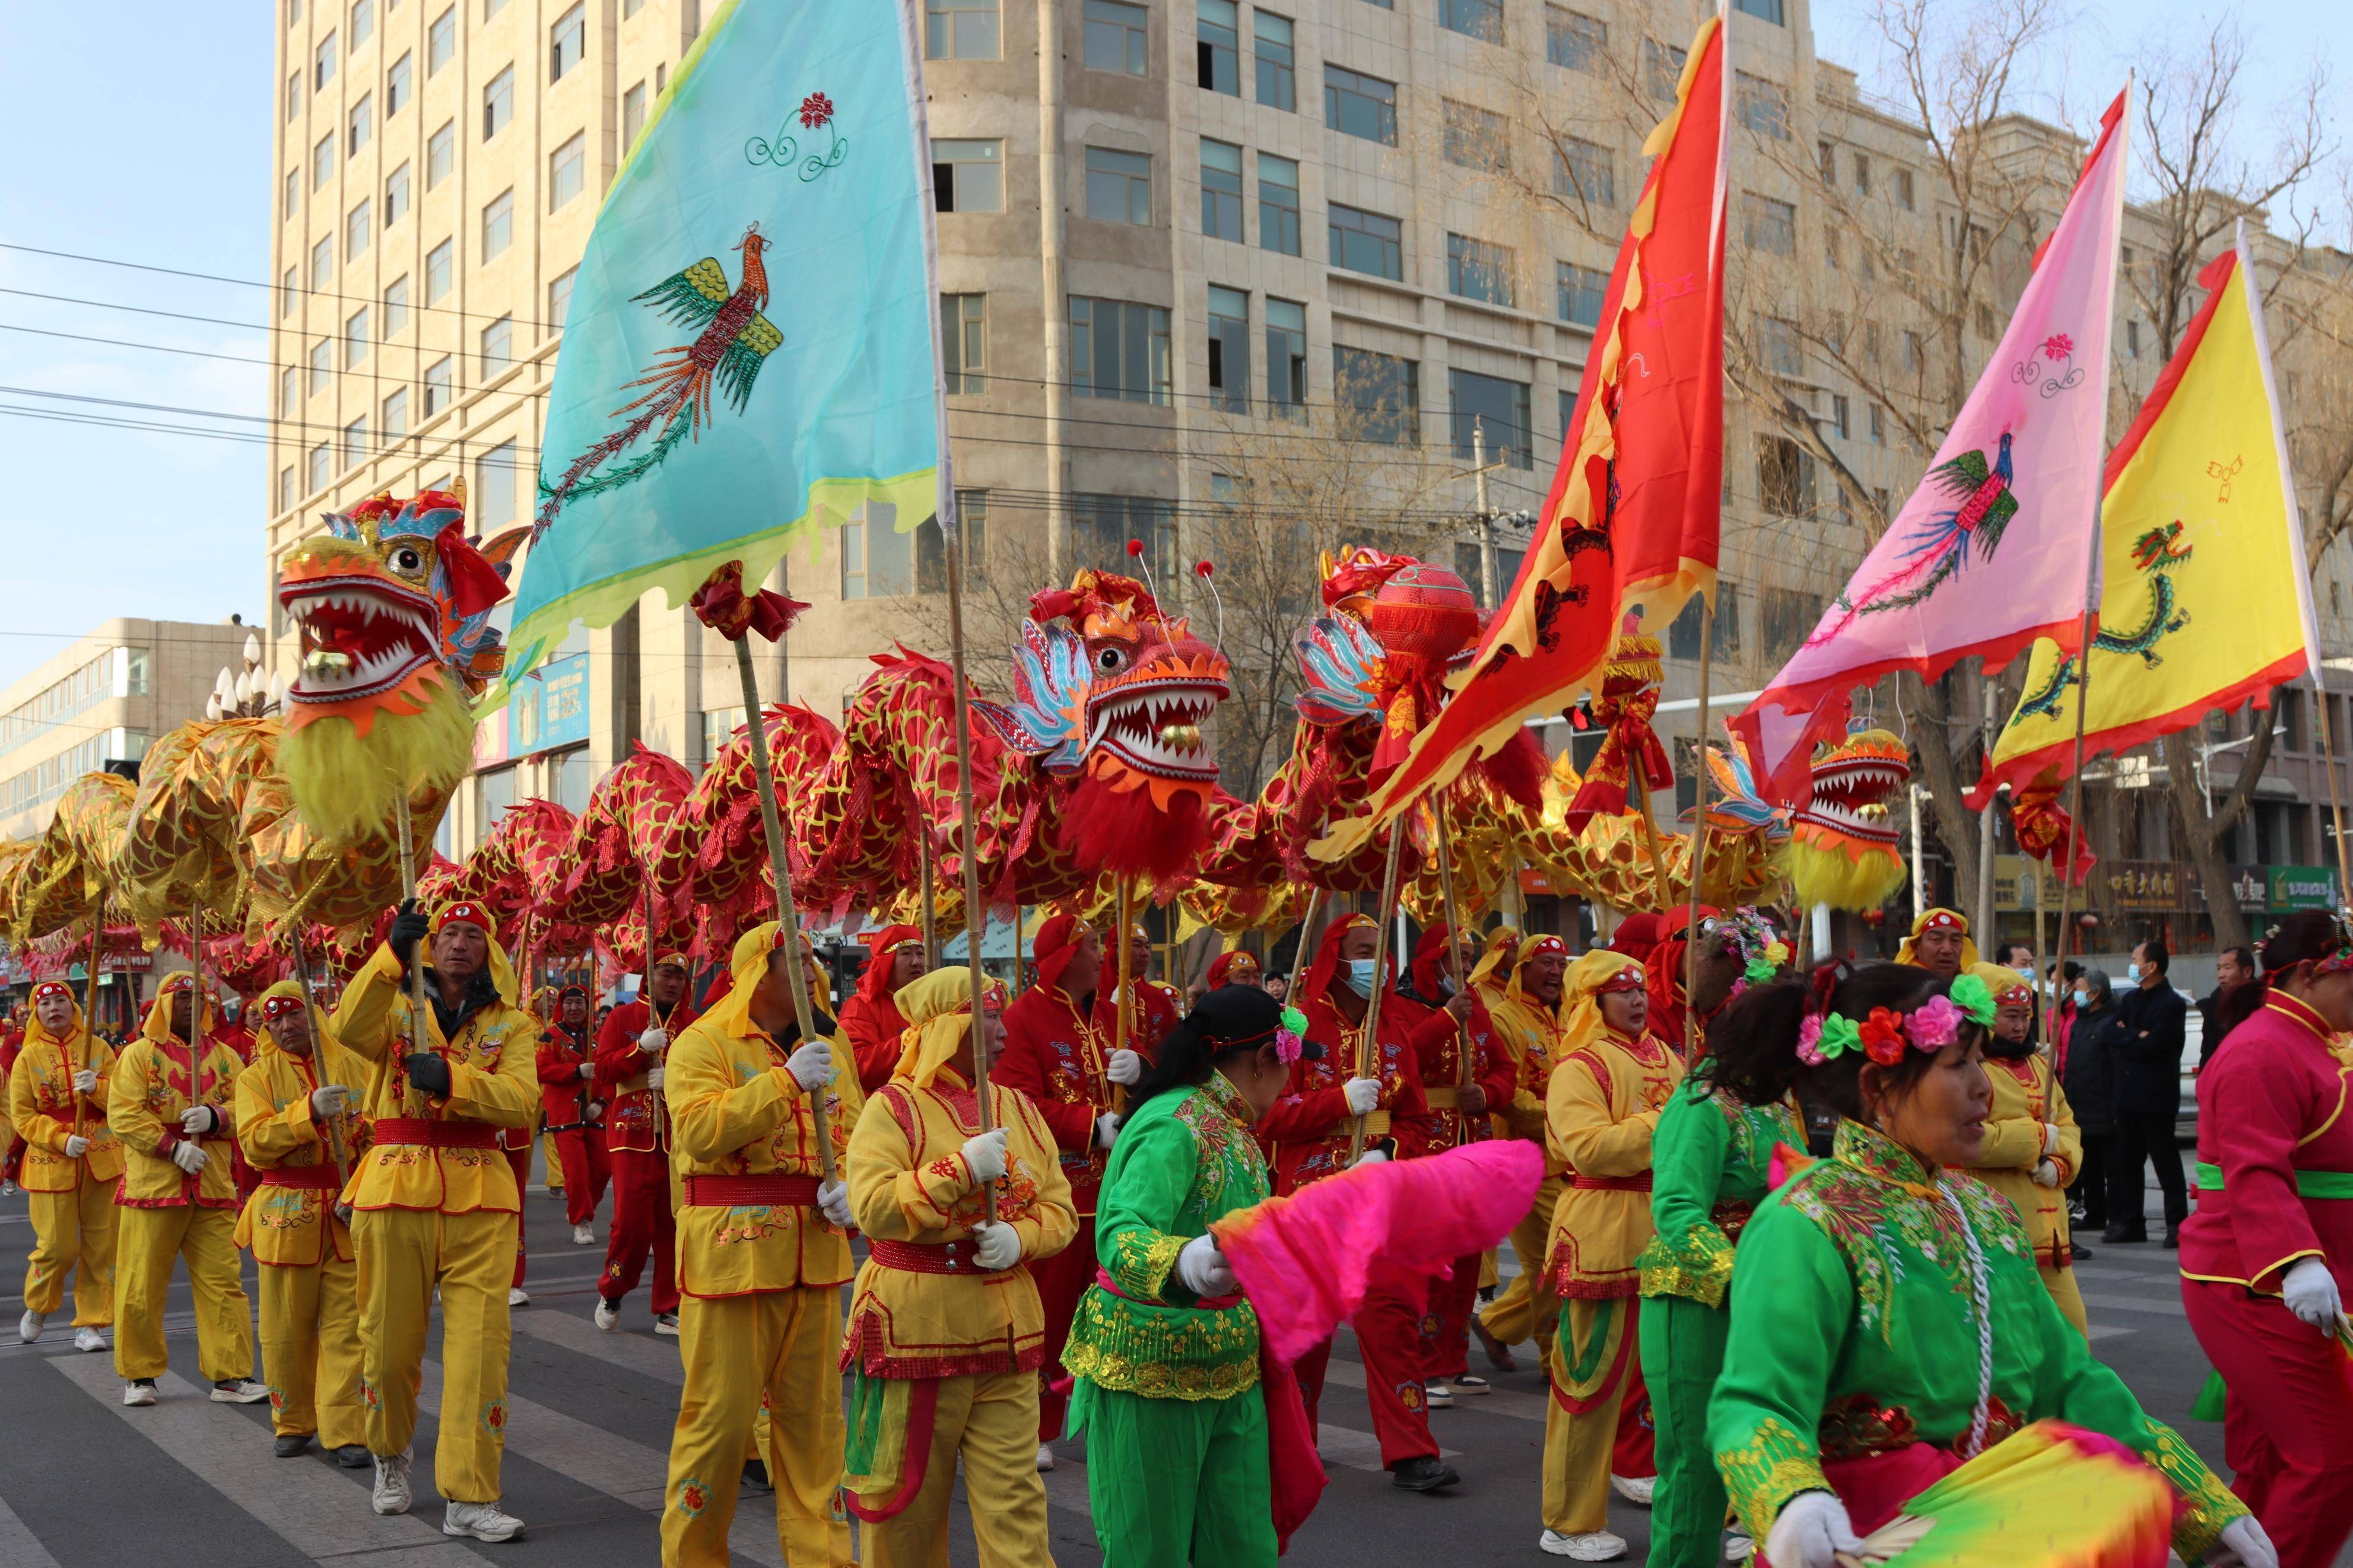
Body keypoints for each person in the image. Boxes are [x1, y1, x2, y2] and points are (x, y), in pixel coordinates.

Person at [1703, 962, 2270, 1568]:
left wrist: (2196, 1503)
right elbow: (1756, 1401)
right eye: (1958, 1065)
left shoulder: (1985, 1211)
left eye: (1980, 1061)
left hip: (2007, 1528)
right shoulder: (1808, 1221)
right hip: (1869, 1541)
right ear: (1875, 1086)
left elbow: (2067, 1380)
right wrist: (1792, 1499)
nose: (1983, 1086)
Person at [839, 967, 1077, 1568]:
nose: (1003, 1030)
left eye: (999, 1015)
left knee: (1016, 1503)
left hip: (1007, 1333)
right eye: (990, 1017)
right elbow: (872, 1208)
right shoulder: (889, 1110)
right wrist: (957, 1171)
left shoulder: (1018, 1107)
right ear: (947, 1027)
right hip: (916, 1333)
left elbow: (1060, 1208)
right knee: (904, 1503)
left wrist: (1020, 1238)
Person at [1063, 985, 1300, 1566]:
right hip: (1152, 1363)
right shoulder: (1175, 1123)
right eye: (1292, 1063)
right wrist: (1182, 1261)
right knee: (1151, 1548)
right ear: (1264, 1059)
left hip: (1229, 1360)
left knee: (1242, 1545)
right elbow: (1120, 1233)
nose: (1293, 1080)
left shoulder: (1231, 1122)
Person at [330, 899, 540, 1541]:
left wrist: (454, 1080)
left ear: (489, 949)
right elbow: (345, 1027)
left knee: (481, 1354)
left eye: (473, 935)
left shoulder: (516, 1024)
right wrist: (389, 953)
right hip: (394, 1186)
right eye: (448, 933)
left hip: (481, 1195)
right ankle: (391, 1456)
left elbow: (523, 1103)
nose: (458, 945)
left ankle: (470, 1496)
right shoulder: (394, 1004)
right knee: (388, 1349)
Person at [659, 923, 862, 1568]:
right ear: (755, 970)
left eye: (812, 958)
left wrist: (852, 1184)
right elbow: (697, 1132)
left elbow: (857, 1127)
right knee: (718, 1430)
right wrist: (783, 1084)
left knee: (816, 1431)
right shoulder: (703, 1042)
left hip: (816, 1255)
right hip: (732, 1260)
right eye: (793, 959)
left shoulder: (831, 1043)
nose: (810, 970)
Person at [2181, 910, 2353, 1568]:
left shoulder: (2314, 1041)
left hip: (2302, 1276)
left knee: (2269, 1463)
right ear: (2309, 975)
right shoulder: (2262, 1049)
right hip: (2254, 1281)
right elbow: (2254, 1168)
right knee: (2332, 1459)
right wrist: (2299, 1262)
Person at [1256, 912, 1451, 1491]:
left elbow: (1416, 1116)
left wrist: (1387, 1151)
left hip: (1376, 1196)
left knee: (1391, 1322)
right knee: (1303, 1334)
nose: (1378, 962)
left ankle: (1412, 1451)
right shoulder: (1293, 1022)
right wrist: (1338, 1101)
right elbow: (1269, 1116)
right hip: (1310, 1195)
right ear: (1333, 957)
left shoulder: (1392, 1027)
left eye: (1380, 951)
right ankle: (1293, 1446)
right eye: (1364, 951)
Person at [1633, 913, 1801, 1568]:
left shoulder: (1774, 1106)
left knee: (1764, 1457)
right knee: (1695, 1469)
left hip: (1765, 1296)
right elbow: (1676, 1210)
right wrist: (1739, 1278)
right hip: (1694, 1302)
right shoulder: (1700, 1104)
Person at [1538, 951, 1685, 1561]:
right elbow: (1590, 1151)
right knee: (1587, 1384)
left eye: (1638, 988)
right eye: (1619, 991)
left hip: (1670, 1232)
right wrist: (1665, 1121)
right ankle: (1567, 1523)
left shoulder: (1672, 1058)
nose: (1635, 999)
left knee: (1675, 1380)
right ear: (1591, 1002)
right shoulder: (1578, 1066)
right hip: (1602, 1234)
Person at [108, 969, 268, 1410]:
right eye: (180, 997)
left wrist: (218, 1117)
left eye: (198, 996)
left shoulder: (225, 1057)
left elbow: (249, 1105)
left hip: (212, 1182)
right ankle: (140, 1374)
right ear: (162, 1004)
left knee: (224, 1282)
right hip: (153, 1184)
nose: (190, 1004)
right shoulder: (138, 1054)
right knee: (141, 1282)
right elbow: (123, 1114)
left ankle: (231, 1374)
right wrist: (171, 1147)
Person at [993, 912, 1117, 1468]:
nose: (1101, 956)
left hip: (1119, 1190)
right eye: (1092, 946)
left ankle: (1108, 1415)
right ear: (1065, 957)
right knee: (1048, 1311)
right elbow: (1017, 1099)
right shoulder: (1023, 1018)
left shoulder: (1115, 1015)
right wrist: (1091, 1124)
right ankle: (1033, 1423)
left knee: (1113, 1308)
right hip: (1059, 1192)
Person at [233, 979, 371, 1463]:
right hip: (285, 1212)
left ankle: (347, 1428)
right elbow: (254, 1144)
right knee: (285, 1328)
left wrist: (362, 1189)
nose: (286, 1026)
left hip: (348, 1211)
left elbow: (377, 1136)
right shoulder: (256, 1077)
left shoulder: (357, 1063)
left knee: (349, 1329)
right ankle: (292, 1418)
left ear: (316, 1015)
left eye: (295, 1015)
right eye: (275, 1019)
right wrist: (306, 1111)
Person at [1390, 922, 1513, 1407]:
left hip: (1473, 1139)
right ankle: (1419, 1363)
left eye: (1469, 955)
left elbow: (1505, 1068)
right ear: (1429, 960)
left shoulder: (1476, 1006)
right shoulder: (1399, 1006)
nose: (1464, 965)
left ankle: (1452, 1359)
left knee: (1467, 1260)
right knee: (1429, 1258)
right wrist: (1445, 1017)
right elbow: (1396, 1060)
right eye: (1455, 955)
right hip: (1426, 1140)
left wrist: (1487, 1093)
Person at [1960, 964, 2087, 1334]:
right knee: (2013, 1340)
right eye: (2010, 1016)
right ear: (1985, 1017)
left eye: (2026, 1016)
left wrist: (2060, 1162)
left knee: (2073, 1335)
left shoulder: (2040, 1065)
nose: (2020, 1026)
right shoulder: (1971, 1069)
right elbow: (1969, 1139)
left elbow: (2069, 1126)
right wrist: (2035, 1139)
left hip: (2054, 1236)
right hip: (1998, 1232)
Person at [11, 978, 121, 1352]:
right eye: (45, 1004)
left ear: (74, 1007)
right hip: (51, 1159)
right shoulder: (27, 1058)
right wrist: (59, 1138)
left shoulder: (99, 1046)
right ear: (36, 1014)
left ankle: (90, 1322)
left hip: (102, 1155)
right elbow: (22, 1115)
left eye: (61, 1000)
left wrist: (100, 1088)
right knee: (57, 1247)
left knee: (102, 1245)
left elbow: (125, 1100)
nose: (53, 1008)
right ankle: (38, 1305)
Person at [1477, 934, 1571, 1367]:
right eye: (1545, 962)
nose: (1555, 971)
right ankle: (1555, 1357)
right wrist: (1561, 1116)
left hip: (1571, 1155)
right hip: (1525, 1161)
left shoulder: (1571, 1018)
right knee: (1552, 1263)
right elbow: (1507, 1093)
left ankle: (1494, 1322)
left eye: (1560, 963)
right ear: (1522, 969)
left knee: (1561, 1257)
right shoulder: (1503, 1018)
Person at [595, 951, 699, 1334]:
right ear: (648, 977)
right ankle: (614, 1287)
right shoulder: (623, 1017)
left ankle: (669, 1305)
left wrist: (674, 1079)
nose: (672, 982)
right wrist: (640, 1049)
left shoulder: (694, 1024)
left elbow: (708, 1076)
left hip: (679, 1130)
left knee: (675, 1220)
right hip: (632, 1129)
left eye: (679, 977)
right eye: (665, 974)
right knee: (631, 1221)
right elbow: (604, 1069)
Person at [2107, 939, 2189, 1248]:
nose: (2132, 964)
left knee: (2166, 1164)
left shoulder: (2172, 1003)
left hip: (2155, 1098)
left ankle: (2176, 1224)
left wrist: (2132, 1038)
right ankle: (2131, 1223)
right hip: (2127, 1096)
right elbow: (2110, 1034)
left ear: (2151, 965)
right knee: (2128, 1164)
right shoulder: (2130, 1000)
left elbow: (2156, 1045)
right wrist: (2133, 1035)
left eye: (2135, 959)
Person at [536, 985, 609, 1245]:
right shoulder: (550, 1036)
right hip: (565, 1114)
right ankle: (581, 1220)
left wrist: (601, 1102)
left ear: (588, 1007)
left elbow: (608, 1071)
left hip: (596, 1113)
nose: (574, 1008)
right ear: (562, 1006)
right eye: (569, 1003)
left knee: (603, 1168)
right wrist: (576, 1072)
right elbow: (543, 1071)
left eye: (579, 1002)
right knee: (576, 1174)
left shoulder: (602, 1035)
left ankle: (582, 1210)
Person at [2060, 968, 2120, 1239]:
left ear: (2096, 993)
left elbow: (2113, 1068)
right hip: (2080, 1105)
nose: (2076, 994)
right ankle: (2095, 1214)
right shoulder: (2080, 1021)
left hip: (2103, 1105)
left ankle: (2116, 1217)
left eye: (2081, 988)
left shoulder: (2110, 1022)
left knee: (2112, 1168)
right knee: (2089, 1167)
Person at [839, 924, 927, 1095]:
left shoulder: (931, 1004)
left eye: (920, 953)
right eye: (906, 953)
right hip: (882, 1110)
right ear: (886, 962)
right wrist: (911, 1042)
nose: (916, 961)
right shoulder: (861, 1006)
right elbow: (855, 1065)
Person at [1094, 922, 1183, 1053]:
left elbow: (1172, 1049)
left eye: (1147, 947)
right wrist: (1112, 1009)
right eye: (1137, 946)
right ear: (1115, 949)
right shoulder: (1093, 992)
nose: (1145, 953)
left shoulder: (1159, 998)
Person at [2197, 944, 2256, 1069]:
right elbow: (2208, 1054)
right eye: (2219, 969)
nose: (2221, 975)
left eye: (2227, 968)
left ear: (2247, 972)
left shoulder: (2262, 1005)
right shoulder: (2213, 1009)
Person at [1892, 907, 1974, 979]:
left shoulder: (1973, 987)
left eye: (1955, 940)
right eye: (1937, 939)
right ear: (1916, 946)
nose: (1947, 950)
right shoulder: (1904, 988)